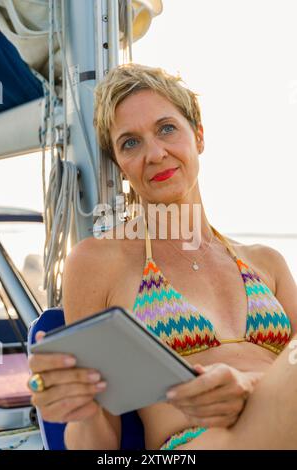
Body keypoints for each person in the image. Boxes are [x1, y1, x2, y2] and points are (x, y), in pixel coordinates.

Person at [28, 63, 297, 450]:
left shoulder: (266, 262)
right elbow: (98, 444)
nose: (154, 154)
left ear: (199, 136)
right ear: (120, 164)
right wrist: (80, 409)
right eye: (130, 143)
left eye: (167, 128)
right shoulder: (99, 261)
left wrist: (252, 384)